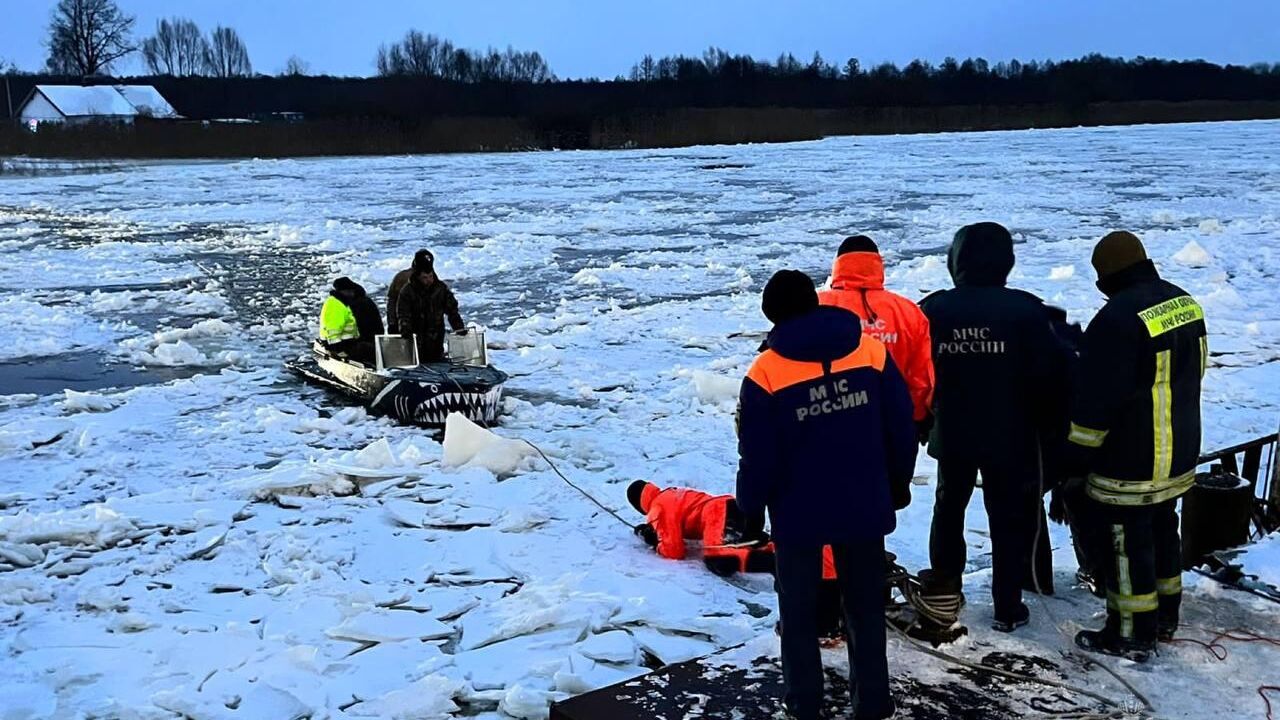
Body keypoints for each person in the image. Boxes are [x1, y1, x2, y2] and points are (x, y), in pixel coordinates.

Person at [736, 270, 917, 720]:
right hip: (863, 502)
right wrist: (897, 482)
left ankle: (804, 704)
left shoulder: (765, 372)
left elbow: (757, 456)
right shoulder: (870, 351)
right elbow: (901, 426)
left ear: (772, 316)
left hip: (798, 513)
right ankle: (873, 703)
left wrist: (750, 510)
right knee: (864, 609)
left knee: (798, 614)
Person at [918, 222, 1073, 632]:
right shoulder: (1026, 310)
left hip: (952, 434)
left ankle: (945, 594)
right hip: (1011, 436)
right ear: (1006, 261)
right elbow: (1052, 376)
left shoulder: (934, 309)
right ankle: (1009, 605)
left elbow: (917, 373)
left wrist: (922, 422)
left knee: (949, 509)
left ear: (956, 261)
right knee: (1007, 517)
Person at [1068, 231, 1207, 662]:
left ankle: (1130, 632)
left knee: (1126, 547)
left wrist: (1075, 457)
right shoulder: (1184, 303)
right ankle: (1165, 617)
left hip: (1131, 462)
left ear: (1106, 277)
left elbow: (1095, 404)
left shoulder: (1116, 321)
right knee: (1165, 531)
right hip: (1179, 451)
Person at [819, 235, 935, 430]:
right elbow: (921, 375)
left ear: (838, 265)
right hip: (893, 422)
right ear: (877, 265)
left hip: (828, 422)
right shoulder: (907, 311)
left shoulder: (816, 307)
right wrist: (916, 417)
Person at [392, 249, 466, 363]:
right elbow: (403, 314)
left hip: (435, 339)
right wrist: (405, 332)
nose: (428, 281)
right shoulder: (407, 292)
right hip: (416, 341)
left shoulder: (440, 289)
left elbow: (452, 311)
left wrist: (459, 327)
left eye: (430, 276)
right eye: (424, 278)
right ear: (417, 276)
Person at [318, 277, 384, 365]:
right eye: (349, 291)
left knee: (372, 349)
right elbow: (333, 331)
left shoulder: (345, 303)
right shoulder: (336, 305)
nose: (352, 293)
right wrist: (338, 351)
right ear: (343, 291)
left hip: (349, 341)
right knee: (368, 350)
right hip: (338, 345)